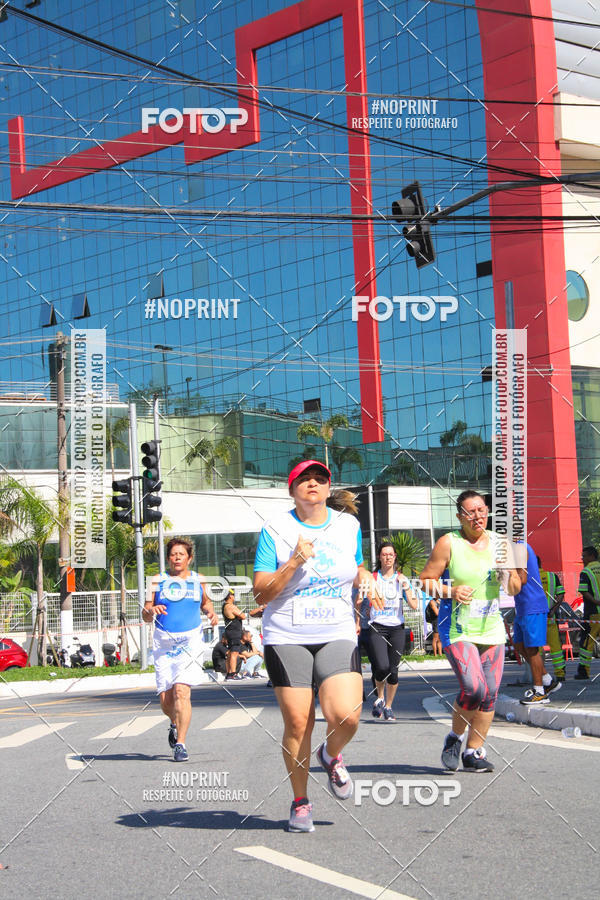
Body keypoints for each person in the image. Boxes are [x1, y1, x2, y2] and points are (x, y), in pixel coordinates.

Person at [253, 460, 380, 833]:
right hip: (286, 635)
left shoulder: (348, 525)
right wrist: (293, 561)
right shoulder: (275, 529)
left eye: (320, 479)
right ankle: (300, 801)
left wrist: (366, 577)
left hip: (336, 630)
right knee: (298, 722)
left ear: (328, 487)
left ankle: (330, 754)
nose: (313, 483)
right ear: (292, 489)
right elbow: (261, 593)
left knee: (347, 715)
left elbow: (355, 567)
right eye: (304, 479)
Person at [420, 490, 521, 773]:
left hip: (491, 629)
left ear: (487, 511)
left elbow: (515, 587)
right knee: (474, 688)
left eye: (481, 510)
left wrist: (507, 575)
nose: (477, 516)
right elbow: (425, 580)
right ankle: (454, 738)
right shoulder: (448, 542)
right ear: (459, 517)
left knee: (490, 693)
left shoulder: (501, 543)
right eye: (470, 512)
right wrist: (450, 591)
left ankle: (473, 752)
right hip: (458, 629)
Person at [143, 537, 218, 762]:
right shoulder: (157, 581)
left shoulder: (198, 579)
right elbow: (145, 614)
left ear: (189, 558)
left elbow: (206, 602)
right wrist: (151, 610)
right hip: (164, 643)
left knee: (181, 692)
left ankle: (181, 744)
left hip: (190, 641)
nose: (177, 558)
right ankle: (174, 722)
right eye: (173, 554)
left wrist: (210, 612)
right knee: (166, 700)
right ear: (168, 558)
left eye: (181, 554)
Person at [370, 541, 418, 720]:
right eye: (384, 554)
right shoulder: (373, 577)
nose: (388, 557)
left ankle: (388, 707)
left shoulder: (401, 579)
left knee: (393, 670)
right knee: (382, 667)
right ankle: (380, 697)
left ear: (395, 557)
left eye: (391, 554)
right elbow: (361, 600)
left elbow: (414, 605)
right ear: (379, 557)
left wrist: (406, 586)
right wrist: (358, 621)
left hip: (397, 628)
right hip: (377, 626)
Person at [513, 545, 560, 705]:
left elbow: (522, 578)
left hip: (532, 605)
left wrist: (503, 574)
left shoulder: (519, 547)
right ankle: (547, 680)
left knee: (532, 650)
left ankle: (539, 692)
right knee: (519, 646)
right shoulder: (514, 547)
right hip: (522, 606)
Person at [537, 556, 567, 682]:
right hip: (550, 618)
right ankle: (560, 674)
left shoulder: (529, 578)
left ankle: (540, 675)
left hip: (536, 620)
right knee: (556, 648)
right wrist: (553, 609)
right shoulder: (552, 577)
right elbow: (561, 594)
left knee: (537, 649)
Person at [575, 545, 600, 680]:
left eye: (584, 556)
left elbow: (584, 591)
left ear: (591, 556)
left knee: (587, 642)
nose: (582, 559)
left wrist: (596, 602)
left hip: (593, 612)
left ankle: (584, 671)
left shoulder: (586, 572)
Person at [222, 589, 245, 680]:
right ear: (230, 596)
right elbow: (243, 616)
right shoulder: (231, 606)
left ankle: (229, 673)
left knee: (231, 652)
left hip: (230, 632)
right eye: (233, 595)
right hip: (234, 632)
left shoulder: (225, 606)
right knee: (234, 653)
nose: (234, 597)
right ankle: (233, 674)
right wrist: (239, 614)